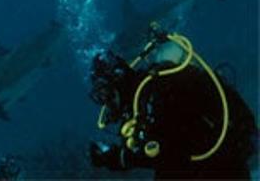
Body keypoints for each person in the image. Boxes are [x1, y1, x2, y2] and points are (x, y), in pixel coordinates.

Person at [89, 26, 257, 179]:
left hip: (220, 167)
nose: (105, 102)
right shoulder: (141, 101)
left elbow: (174, 152)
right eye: (99, 97)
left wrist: (121, 158)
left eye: (104, 93)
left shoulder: (157, 92)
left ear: (118, 80)